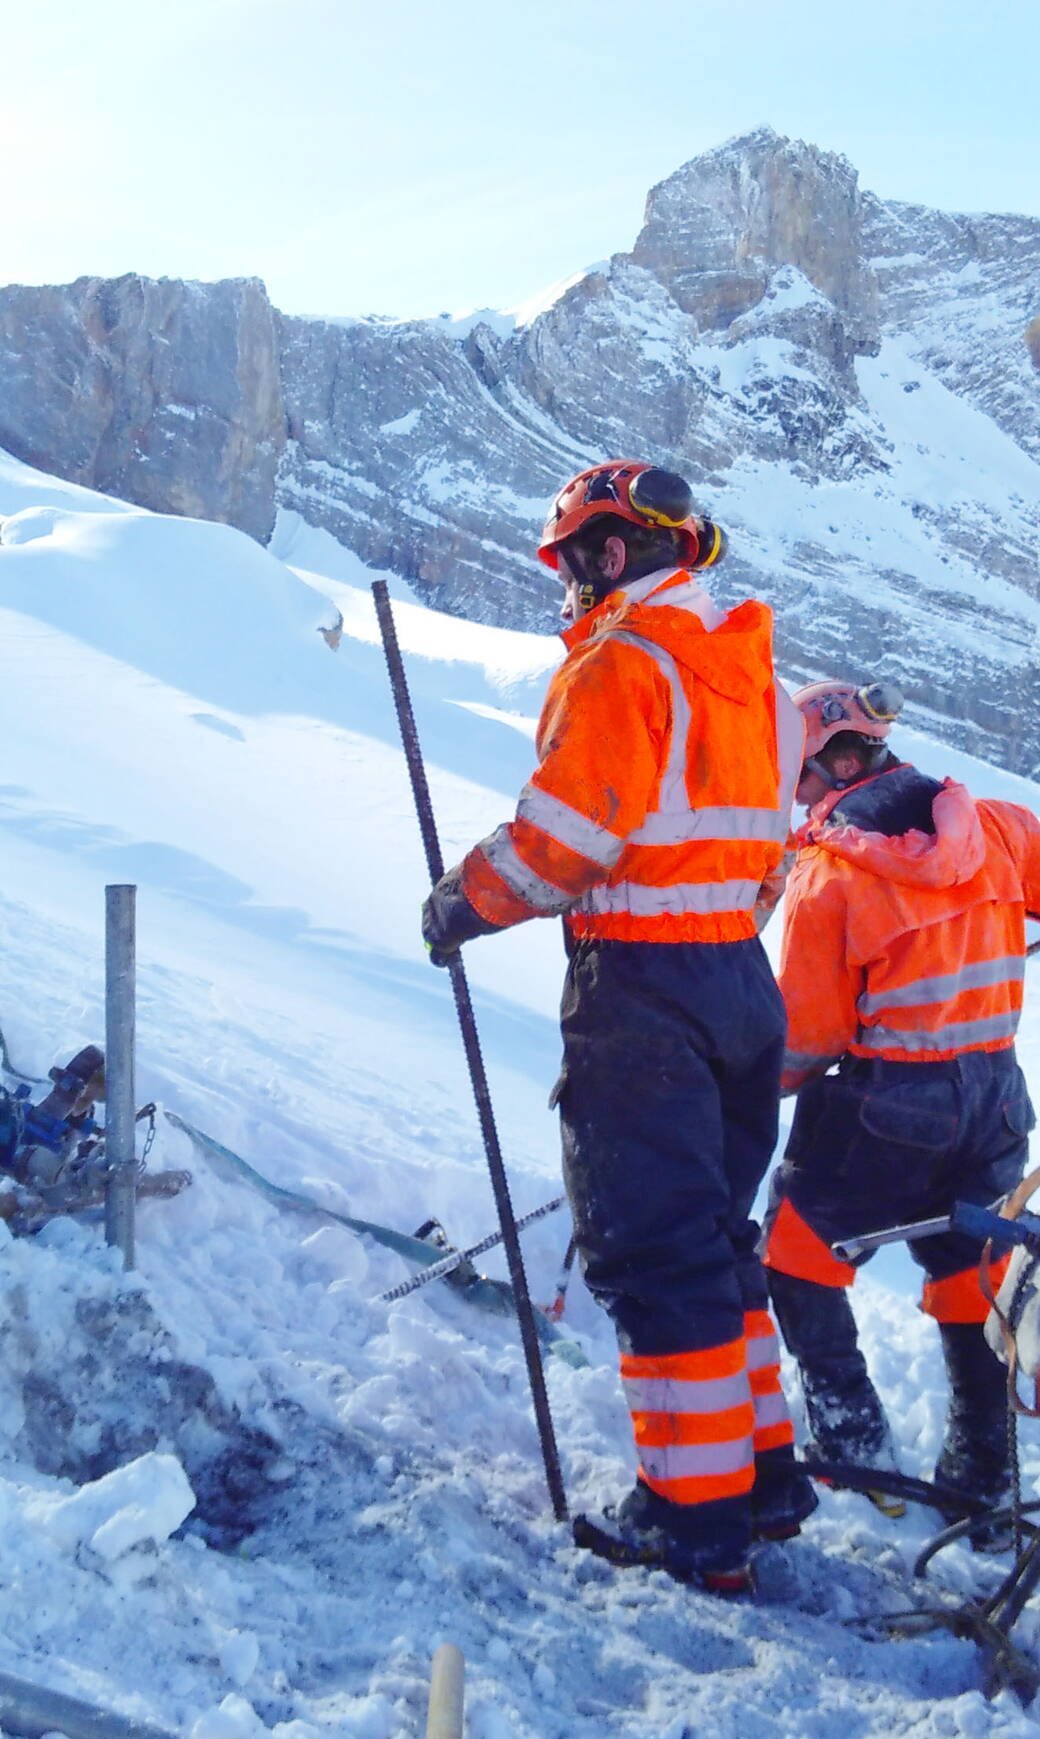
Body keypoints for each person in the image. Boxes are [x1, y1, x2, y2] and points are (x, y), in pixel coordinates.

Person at [419, 460, 812, 1594]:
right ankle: (761, 1478)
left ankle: (693, 1521)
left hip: (641, 990)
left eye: (569, 564)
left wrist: (459, 902)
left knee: (650, 1251)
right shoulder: (760, 686)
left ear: (605, 553)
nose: (567, 591)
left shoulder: (621, 667)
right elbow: (763, 854)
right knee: (715, 1241)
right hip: (740, 982)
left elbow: (560, 843)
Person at [760, 681, 1040, 1536]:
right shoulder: (994, 828)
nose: (802, 801)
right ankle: (982, 1479)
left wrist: (745, 1077)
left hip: (883, 1111)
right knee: (970, 1272)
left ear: (837, 765)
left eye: (804, 783)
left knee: (795, 1255)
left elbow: (810, 1042)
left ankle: (859, 1455)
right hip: (996, 1105)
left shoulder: (831, 873)